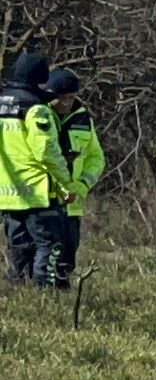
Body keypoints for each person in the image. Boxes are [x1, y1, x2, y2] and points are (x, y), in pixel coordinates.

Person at [2, 68, 100, 286]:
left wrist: (80, 186)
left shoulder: (84, 119)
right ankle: (39, 296)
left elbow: (96, 159)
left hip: (71, 202)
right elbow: (43, 158)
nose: (66, 102)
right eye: (60, 98)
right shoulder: (37, 113)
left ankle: (58, 299)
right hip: (42, 197)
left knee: (65, 257)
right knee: (36, 249)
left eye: (71, 97)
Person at [0, 50, 48, 282]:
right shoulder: (34, 106)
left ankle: (15, 286)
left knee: (16, 242)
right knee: (44, 242)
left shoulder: (2, 100)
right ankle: (43, 294)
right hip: (33, 189)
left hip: (6, 190)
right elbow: (45, 151)